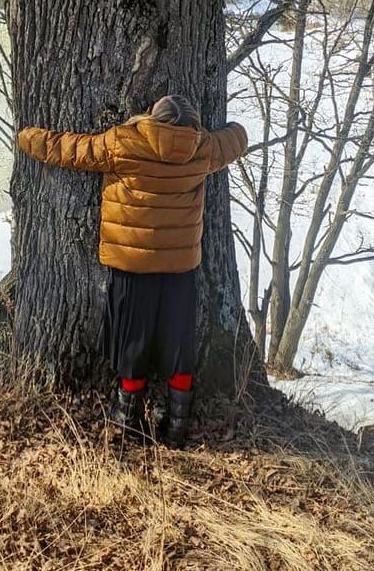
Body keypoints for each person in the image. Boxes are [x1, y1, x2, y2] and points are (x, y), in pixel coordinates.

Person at [17, 93, 248, 449]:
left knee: (132, 341)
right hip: (179, 267)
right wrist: (233, 129)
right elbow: (237, 139)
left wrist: (27, 137)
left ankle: (128, 420)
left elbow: (73, 150)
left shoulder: (125, 141)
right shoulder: (204, 148)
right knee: (178, 343)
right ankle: (177, 424)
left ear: (153, 118)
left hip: (132, 266)